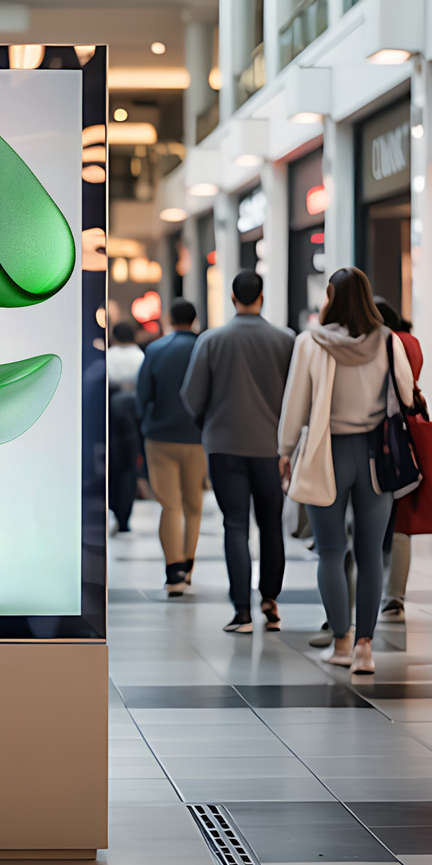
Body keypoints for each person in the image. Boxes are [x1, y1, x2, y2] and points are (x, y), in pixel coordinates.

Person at [279, 268, 412, 676]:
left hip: (327, 453)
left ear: (332, 296)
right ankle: (365, 648)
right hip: (376, 457)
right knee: (372, 553)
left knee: (332, 551)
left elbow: (295, 403)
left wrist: (284, 451)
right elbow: (407, 393)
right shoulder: (389, 341)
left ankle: (340, 641)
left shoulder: (310, 342)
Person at [181, 271, 294, 632]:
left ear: (232, 297)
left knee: (235, 525)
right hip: (271, 448)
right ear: (262, 296)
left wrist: (210, 422)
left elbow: (191, 396)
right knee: (271, 524)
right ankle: (271, 601)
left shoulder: (212, 341)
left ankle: (242, 611)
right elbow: (296, 397)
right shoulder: (286, 340)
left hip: (224, 446)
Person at [136, 300, 204, 596]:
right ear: (195, 320)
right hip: (198, 436)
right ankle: (188, 566)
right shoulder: (204, 347)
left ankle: (173, 571)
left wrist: (145, 423)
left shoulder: (155, 350)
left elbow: (142, 396)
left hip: (160, 436)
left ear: (168, 319)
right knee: (194, 506)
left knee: (169, 504)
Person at [375, 299, 424, 625]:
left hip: (385, 436)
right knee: (402, 521)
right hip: (411, 435)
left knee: (374, 519)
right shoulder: (412, 342)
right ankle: (395, 599)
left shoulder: (384, 342)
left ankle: (376, 595)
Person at [106, 322, 144, 534]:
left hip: (112, 413)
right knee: (130, 466)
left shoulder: (109, 356)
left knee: (113, 465)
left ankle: (113, 508)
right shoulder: (140, 356)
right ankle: (125, 517)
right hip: (135, 413)